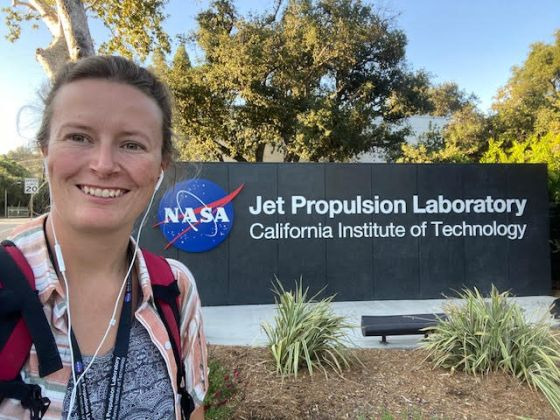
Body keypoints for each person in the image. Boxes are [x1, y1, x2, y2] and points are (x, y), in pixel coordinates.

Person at [0, 56, 207, 419]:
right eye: (79, 137)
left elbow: (192, 409)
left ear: (161, 166)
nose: (103, 164)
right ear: (45, 150)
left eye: (132, 145)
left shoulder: (175, 288)